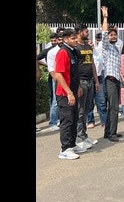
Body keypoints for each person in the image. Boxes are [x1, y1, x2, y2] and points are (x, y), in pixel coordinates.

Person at [54, 28, 86, 159]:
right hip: (64, 93)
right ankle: (65, 149)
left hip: (73, 90)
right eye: (72, 38)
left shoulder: (72, 52)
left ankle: (72, 145)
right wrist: (68, 92)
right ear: (66, 39)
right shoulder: (63, 52)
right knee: (67, 120)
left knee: (74, 118)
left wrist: (77, 87)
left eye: (75, 38)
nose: (75, 41)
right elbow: (58, 74)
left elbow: (73, 73)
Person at [74, 23, 100, 150]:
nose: (88, 33)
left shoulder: (87, 46)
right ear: (79, 32)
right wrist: (77, 84)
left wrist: (96, 81)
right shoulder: (76, 48)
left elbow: (92, 64)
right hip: (81, 82)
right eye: (85, 31)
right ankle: (78, 138)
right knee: (79, 111)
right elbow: (73, 68)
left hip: (90, 81)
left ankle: (83, 135)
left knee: (87, 109)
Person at [101, 6, 123, 142]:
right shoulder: (106, 47)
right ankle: (112, 134)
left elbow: (118, 40)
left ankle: (108, 131)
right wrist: (105, 18)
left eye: (115, 35)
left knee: (113, 107)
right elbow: (104, 34)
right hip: (110, 79)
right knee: (114, 107)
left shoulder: (117, 47)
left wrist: (115, 30)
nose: (113, 36)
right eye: (111, 35)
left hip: (116, 80)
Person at [45, 30, 65, 131]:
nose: (61, 41)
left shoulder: (67, 50)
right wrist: (56, 80)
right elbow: (51, 68)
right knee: (56, 101)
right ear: (56, 40)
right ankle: (53, 122)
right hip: (57, 79)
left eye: (62, 39)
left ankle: (62, 120)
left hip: (67, 79)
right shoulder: (52, 52)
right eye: (59, 40)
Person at [87, 32, 107, 128]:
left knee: (101, 101)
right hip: (89, 79)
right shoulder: (84, 54)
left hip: (99, 78)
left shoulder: (98, 51)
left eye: (91, 43)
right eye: (88, 43)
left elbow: (104, 39)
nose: (91, 45)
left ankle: (104, 120)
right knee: (90, 102)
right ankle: (90, 121)